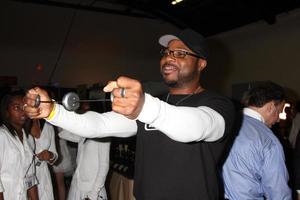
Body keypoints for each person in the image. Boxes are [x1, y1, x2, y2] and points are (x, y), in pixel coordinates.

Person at [24, 28, 236, 199]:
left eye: (180, 53)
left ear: (201, 63)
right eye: (167, 53)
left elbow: (198, 127)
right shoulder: (157, 103)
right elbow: (99, 125)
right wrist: (53, 111)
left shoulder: (218, 105)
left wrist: (145, 106)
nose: (169, 58)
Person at [222, 81, 292, 199]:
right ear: (270, 107)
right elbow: (277, 191)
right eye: (279, 111)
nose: (279, 119)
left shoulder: (224, 122)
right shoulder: (268, 140)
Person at [59, 102, 110, 200]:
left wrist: (93, 195)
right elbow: (63, 134)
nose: (85, 115)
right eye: (83, 111)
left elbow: (104, 166)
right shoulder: (83, 133)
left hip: (91, 190)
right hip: (77, 184)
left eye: (88, 111)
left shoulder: (103, 135)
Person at [0, 90, 39, 200]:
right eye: (17, 108)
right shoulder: (2, 136)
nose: (23, 112)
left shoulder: (29, 138)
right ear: (6, 111)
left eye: (25, 107)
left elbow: (30, 176)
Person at [27, 119, 58, 200]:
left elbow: (55, 156)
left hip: (44, 175)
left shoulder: (48, 125)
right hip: (28, 177)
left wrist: (50, 155)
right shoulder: (21, 124)